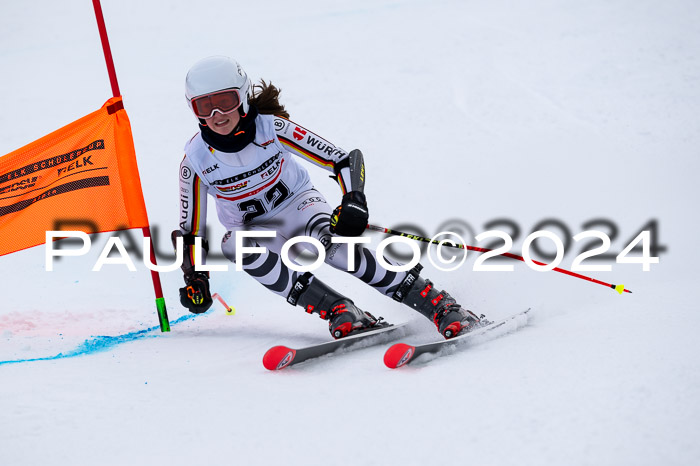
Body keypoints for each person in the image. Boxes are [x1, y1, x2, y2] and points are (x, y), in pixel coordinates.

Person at [176, 55, 482, 339]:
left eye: (225, 101)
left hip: (299, 207)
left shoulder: (272, 129)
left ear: (241, 97)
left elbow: (343, 161)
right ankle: (340, 310)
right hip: (258, 232)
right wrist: (196, 278)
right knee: (233, 244)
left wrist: (353, 201)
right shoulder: (195, 161)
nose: (217, 114)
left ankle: (440, 305)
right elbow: (191, 231)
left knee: (334, 247)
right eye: (204, 106)